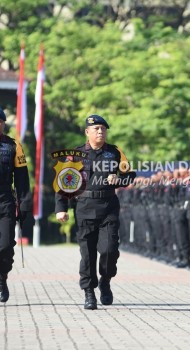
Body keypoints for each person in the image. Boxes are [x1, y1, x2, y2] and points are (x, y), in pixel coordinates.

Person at [55, 114, 136, 310]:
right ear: (87, 132)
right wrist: (61, 209)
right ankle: (89, 292)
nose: (100, 132)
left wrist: (120, 180)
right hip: (84, 207)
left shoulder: (115, 153)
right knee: (88, 254)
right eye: (96, 129)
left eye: (103, 129)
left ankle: (105, 280)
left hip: (108, 207)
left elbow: (130, 174)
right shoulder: (75, 154)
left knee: (109, 250)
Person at [0, 107, 32, 303]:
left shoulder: (13, 146)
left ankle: (2, 278)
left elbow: (22, 179)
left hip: (5, 201)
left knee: (5, 246)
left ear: (3, 124)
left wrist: (24, 205)